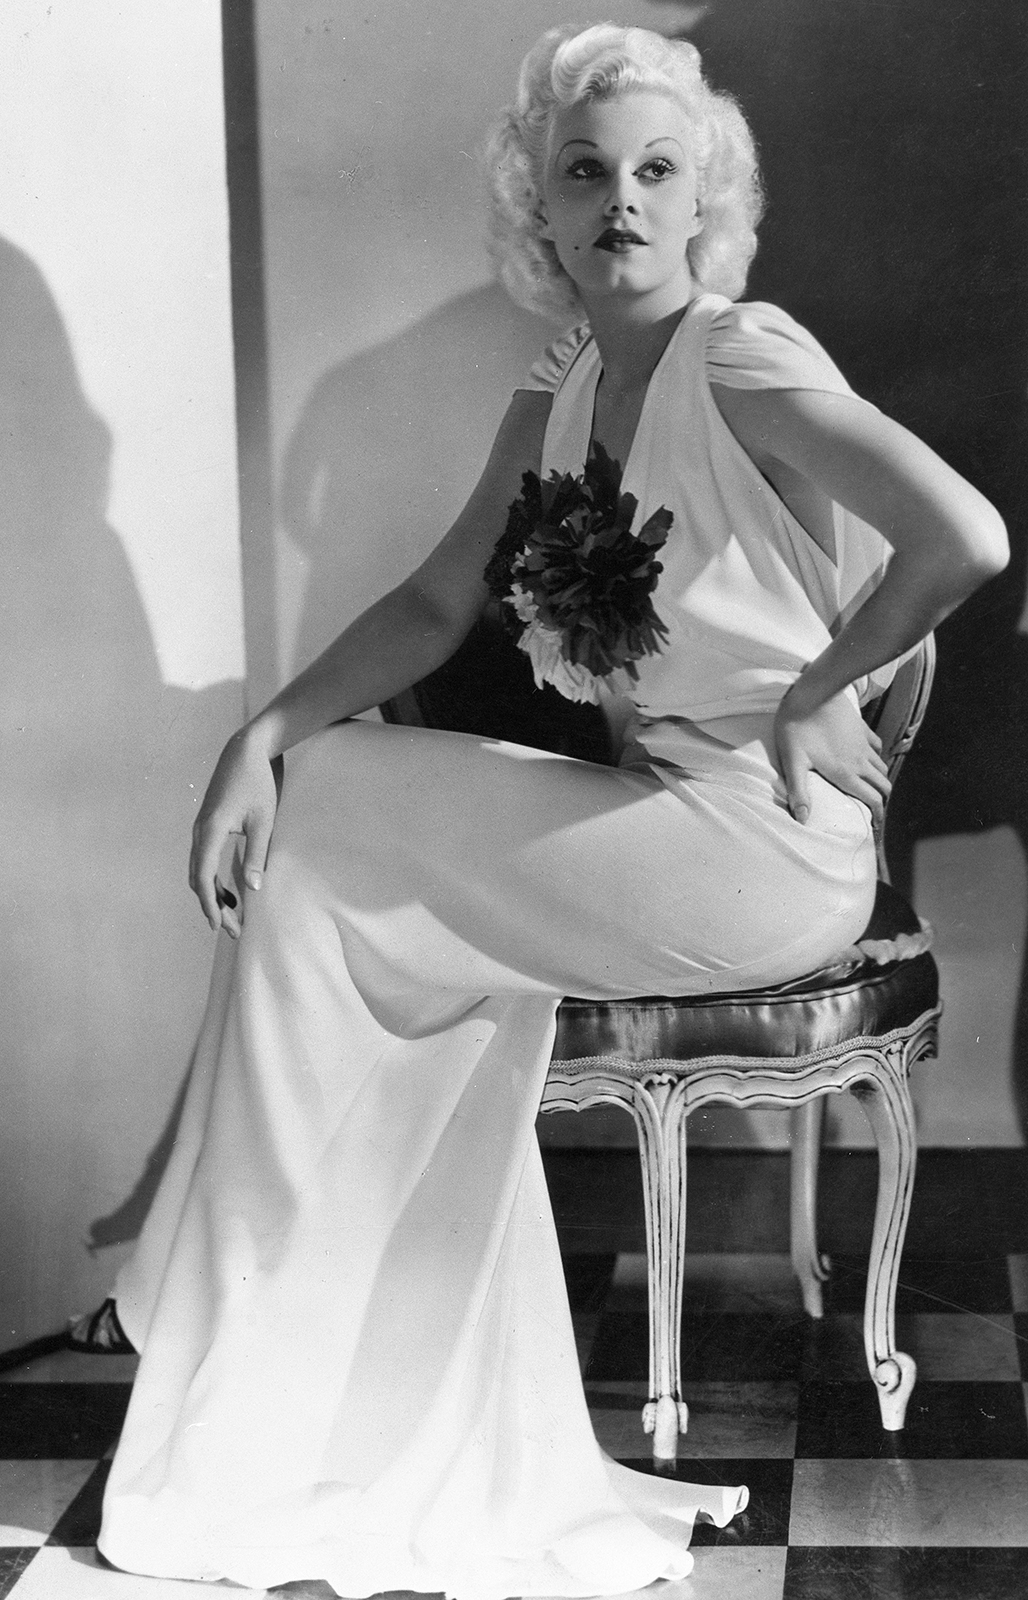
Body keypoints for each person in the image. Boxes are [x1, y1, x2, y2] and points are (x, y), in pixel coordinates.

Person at [95, 22, 1007, 1597]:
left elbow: (966, 536)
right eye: (585, 174)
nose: (621, 204)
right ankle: (333, 1381)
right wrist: (260, 730)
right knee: (317, 832)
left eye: (658, 172)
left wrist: (818, 689)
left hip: (763, 851)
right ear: (542, 205)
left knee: (329, 818)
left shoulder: (741, 355)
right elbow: (435, 601)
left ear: (707, 199)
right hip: (653, 823)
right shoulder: (568, 384)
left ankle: (229, 1319)